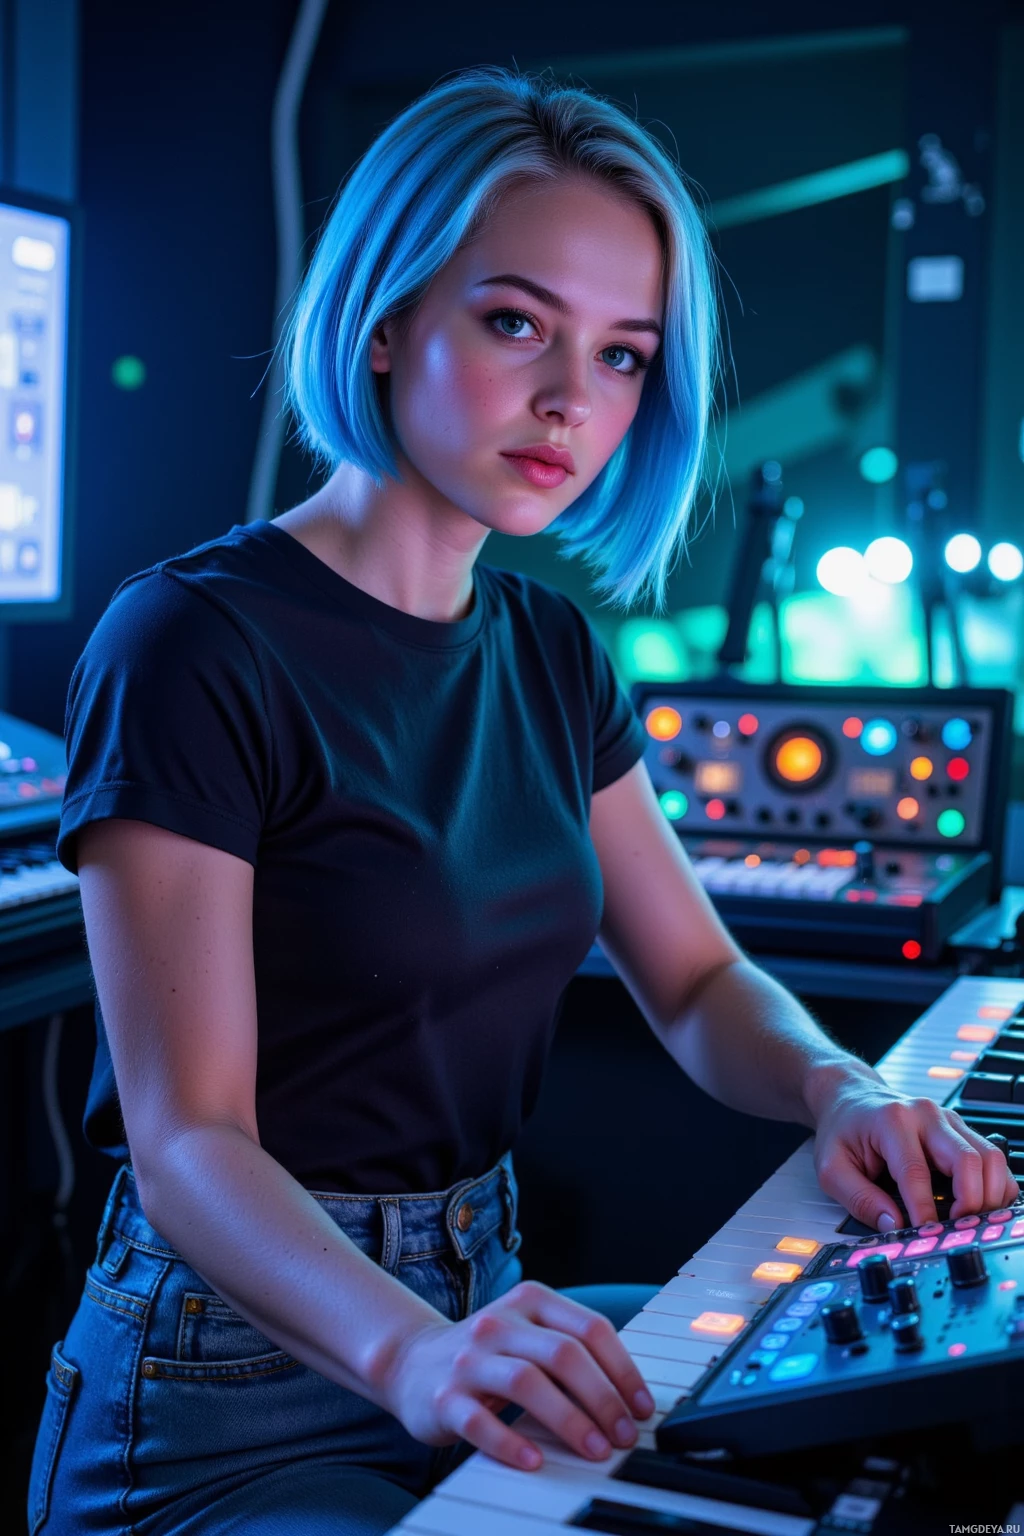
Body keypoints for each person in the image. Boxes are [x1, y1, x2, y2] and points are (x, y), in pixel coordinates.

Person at [29, 66, 1016, 1536]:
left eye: (624, 356)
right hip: (230, 1382)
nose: (573, 399)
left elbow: (693, 980)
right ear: (382, 319)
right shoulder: (191, 642)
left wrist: (838, 1084)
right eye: (515, 323)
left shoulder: (551, 650)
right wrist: (410, 1353)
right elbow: (188, 1146)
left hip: (481, 1305)